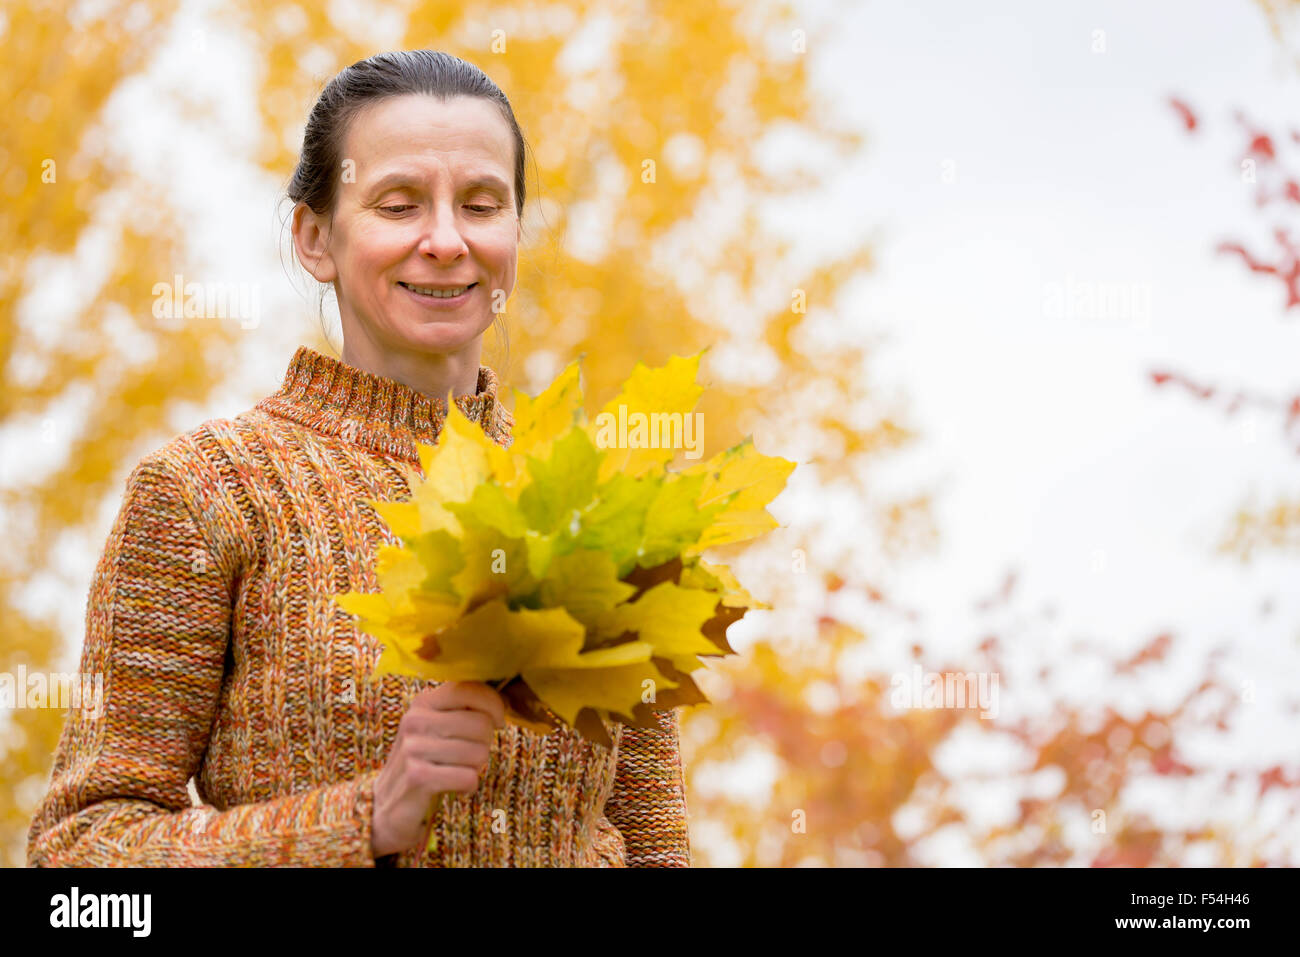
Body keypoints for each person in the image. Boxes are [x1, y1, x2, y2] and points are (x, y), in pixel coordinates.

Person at [26, 49, 691, 868]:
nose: (446, 241)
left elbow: (661, 848)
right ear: (316, 237)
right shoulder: (208, 491)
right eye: (398, 204)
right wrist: (366, 818)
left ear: (516, 231)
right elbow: (80, 855)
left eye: (482, 204)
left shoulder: (595, 507)